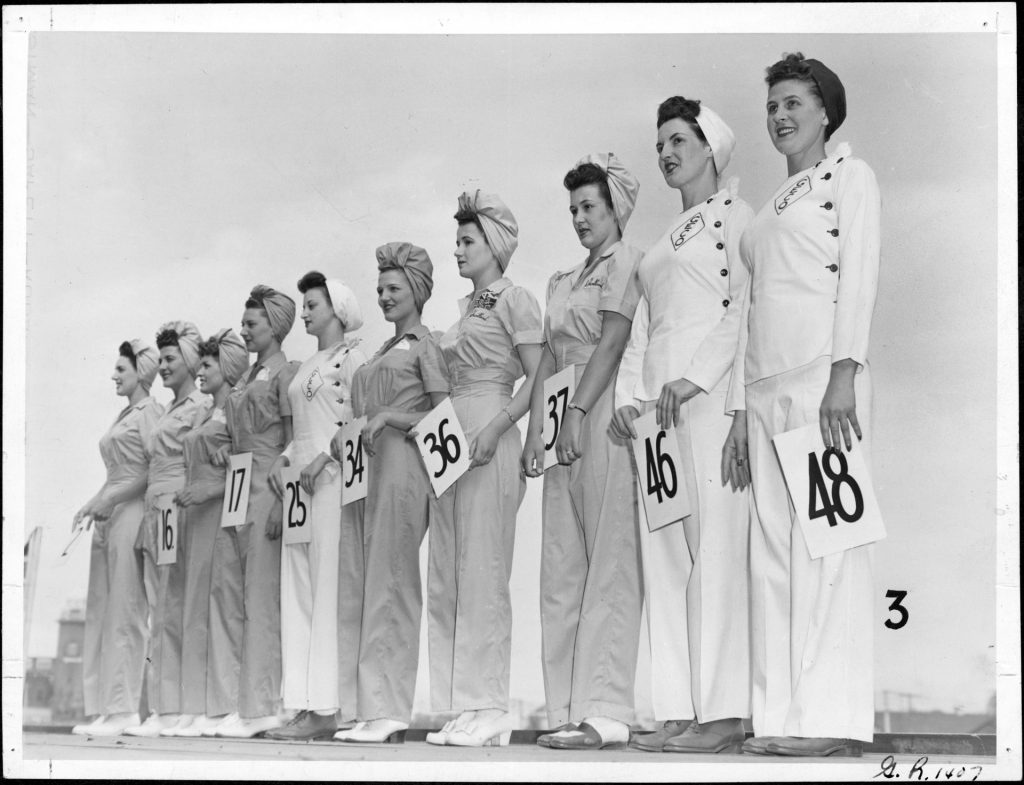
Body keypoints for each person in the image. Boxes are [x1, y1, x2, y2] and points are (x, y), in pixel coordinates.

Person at [722, 53, 880, 758]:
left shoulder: (850, 177)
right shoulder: (760, 217)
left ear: (825, 111)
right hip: (761, 392)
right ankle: (779, 717)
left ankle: (831, 719)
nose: (780, 116)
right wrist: (734, 413)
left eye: (793, 103)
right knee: (771, 556)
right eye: (773, 105)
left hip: (822, 382)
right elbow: (747, 316)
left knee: (830, 546)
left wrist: (844, 372)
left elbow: (861, 275)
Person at [611, 97, 753, 754]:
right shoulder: (664, 243)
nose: (666, 153)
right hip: (657, 417)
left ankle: (723, 708)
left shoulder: (737, 218)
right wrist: (628, 398)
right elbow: (642, 327)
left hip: (707, 397)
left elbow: (743, 308)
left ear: (709, 145)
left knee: (716, 550)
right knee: (667, 557)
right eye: (659, 142)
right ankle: (677, 706)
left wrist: (696, 377)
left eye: (677, 140)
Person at [520, 154, 644, 751]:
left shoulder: (628, 263)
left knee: (610, 560)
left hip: (600, 409)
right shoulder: (561, 280)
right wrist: (533, 432)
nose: (579, 218)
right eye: (573, 209)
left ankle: (607, 710)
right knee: (561, 569)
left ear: (615, 207)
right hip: (559, 416)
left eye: (589, 206)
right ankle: (565, 707)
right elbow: (545, 356)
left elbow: (614, 339)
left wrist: (577, 414)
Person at [426, 190, 543, 747]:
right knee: (449, 573)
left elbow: (539, 375)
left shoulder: (515, 300)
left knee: (484, 574)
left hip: (489, 438)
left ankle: (492, 704)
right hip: (451, 445)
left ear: (494, 244)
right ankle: (463, 703)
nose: (457, 250)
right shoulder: (466, 310)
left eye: (467, 240)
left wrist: (501, 428)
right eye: (456, 241)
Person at [333, 242, 449, 744]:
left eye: (394, 288)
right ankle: (367, 704)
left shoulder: (427, 345)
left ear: (418, 292)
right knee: (363, 584)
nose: (383, 296)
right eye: (379, 289)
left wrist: (388, 417)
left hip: (404, 468)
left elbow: (444, 417)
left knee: (393, 582)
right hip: (365, 476)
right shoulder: (381, 351)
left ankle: (389, 707)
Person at [264, 273, 366, 741]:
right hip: (298, 487)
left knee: (325, 589)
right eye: (302, 305)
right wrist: (285, 458)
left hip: (331, 481)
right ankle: (302, 703)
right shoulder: (306, 365)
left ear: (337, 307)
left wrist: (327, 455)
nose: (304, 312)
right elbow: (300, 427)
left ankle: (326, 706)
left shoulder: (353, 356)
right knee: (298, 588)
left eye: (312, 305)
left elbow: (355, 419)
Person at [207, 285, 299, 739]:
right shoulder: (244, 378)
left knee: (261, 596)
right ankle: (237, 702)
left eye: (252, 324)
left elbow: (291, 439)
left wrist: (284, 498)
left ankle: (263, 704)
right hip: (237, 484)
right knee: (231, 593)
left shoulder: (286, 374)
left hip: (267, 482)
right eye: (243, 324)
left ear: (275, 327)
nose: (244, 331)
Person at [160, 329, 250, 737]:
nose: (201, 370)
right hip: (196, 518)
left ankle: (224, 702)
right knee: (195, 609)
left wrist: (211, 486)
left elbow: (246, 461)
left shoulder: (235, 405)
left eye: (208, 364)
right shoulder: (204, 412)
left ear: (227, 367)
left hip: (221, 513)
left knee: (222, 607)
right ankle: (196, 702)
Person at [72, 340, 163, 737]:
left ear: (140, 373)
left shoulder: (150, 413)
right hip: (110, 515)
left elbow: (150, 470)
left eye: (121, 370)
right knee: (104, 612)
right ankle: (105, 707)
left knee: (127, 611)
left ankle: (125, 708)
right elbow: (117, 471)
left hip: (132, 512)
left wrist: (108, 497)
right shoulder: (124, 414)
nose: (113, 375)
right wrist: (95, 501)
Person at [125, 322, 209, 737]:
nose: (163, 367)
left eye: (171, 359)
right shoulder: (172, 407)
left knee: (175, 608)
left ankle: (175, 705)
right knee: (160, 609)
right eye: (160, 360)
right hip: (155, 509)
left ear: (191, 360)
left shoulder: (198, 407)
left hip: (176, 506)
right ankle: (163, 704)